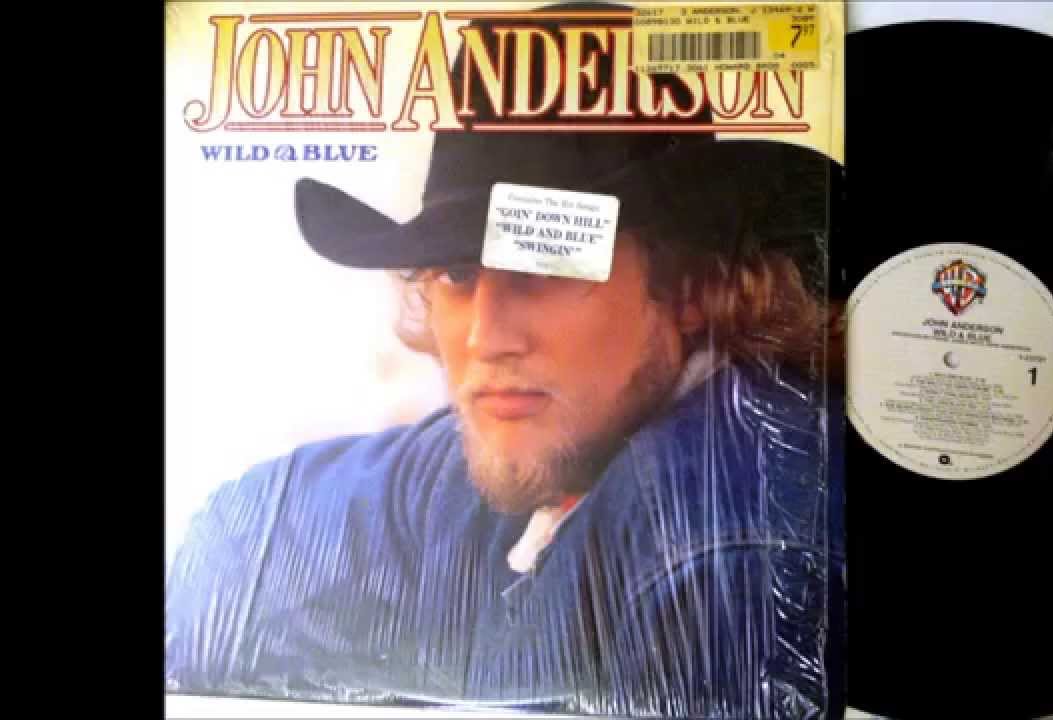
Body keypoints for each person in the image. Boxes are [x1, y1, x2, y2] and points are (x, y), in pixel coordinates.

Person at [165, 5, 845, 718]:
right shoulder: (563, 431)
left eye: (546, 266)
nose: (487, 336)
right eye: (458, 274)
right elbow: (258, 529)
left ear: (688, 289)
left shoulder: (732, 546)